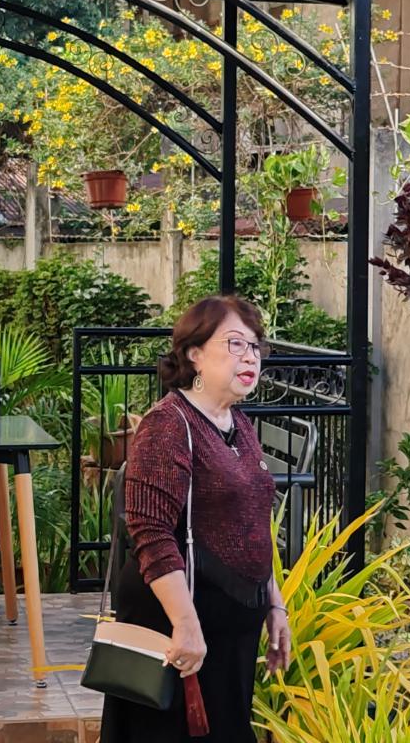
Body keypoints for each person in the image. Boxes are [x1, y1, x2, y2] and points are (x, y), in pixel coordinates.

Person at [100, 296, 291, 743]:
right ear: (194, 354)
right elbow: (150, 532)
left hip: (231, 633)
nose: (250, 356)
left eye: (255, 346)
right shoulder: (169, 424)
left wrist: (274, 604)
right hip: (180, 626)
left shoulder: (236, 424)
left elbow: (250, 523)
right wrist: (186, 625)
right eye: (235, 343)